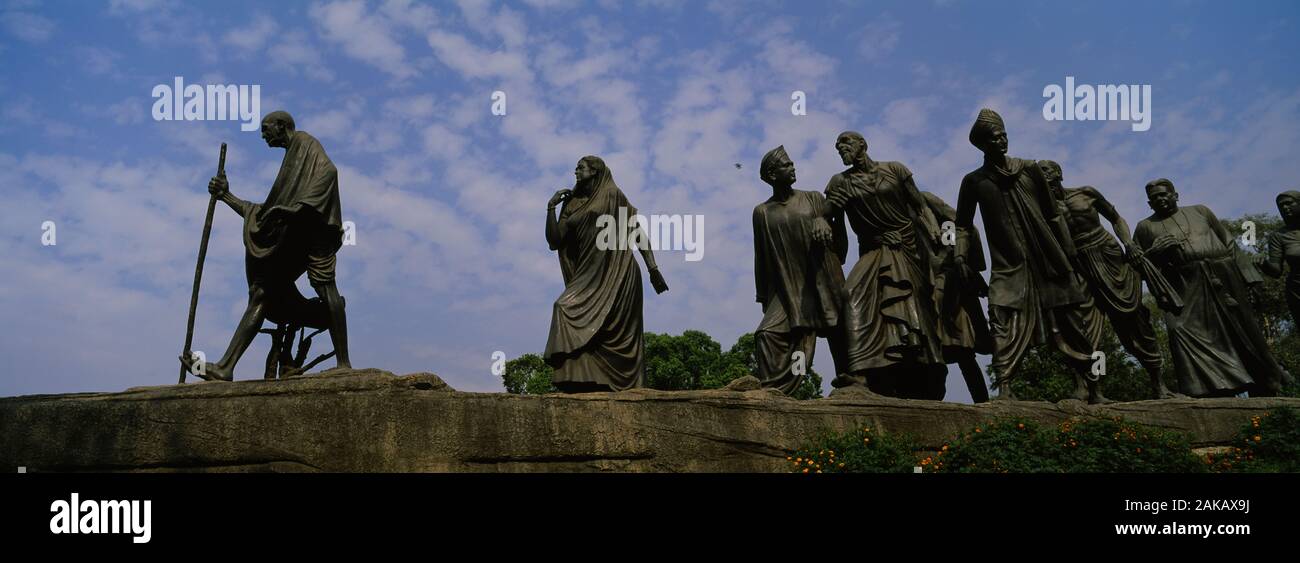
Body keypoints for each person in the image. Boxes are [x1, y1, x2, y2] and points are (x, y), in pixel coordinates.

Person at [953, 109, 1107, 403]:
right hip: (1008, 266)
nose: (1001, 142)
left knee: (1074, 324)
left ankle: (1094, 389)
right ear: (983, 145)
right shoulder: (973, 181)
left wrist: (1070, 256)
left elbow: (1053, 215)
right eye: (994, 138)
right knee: (1000, 316)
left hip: (1049, 260)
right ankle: (1006, 389)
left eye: (1003, 136)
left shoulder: (1030, 169)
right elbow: (961, 225)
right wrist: (961, 256)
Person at [185, 110, 350, 381]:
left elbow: (329, 172)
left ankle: (344, 363)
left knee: (325, 286)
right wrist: (226, 195)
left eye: (266, 129)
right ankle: (225, 367)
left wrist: (296, 209)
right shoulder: (290, 158)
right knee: (262, 292)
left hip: (314, 229)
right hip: (292, 234)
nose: (263, 135)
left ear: (282, 126)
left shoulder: (305, 143)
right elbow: (264, 213)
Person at [815, 131, 945, 399]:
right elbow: (828, 213)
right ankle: (859, 370)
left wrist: (934, 230)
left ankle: (915, 363)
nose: (841, 150)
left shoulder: (894, 169)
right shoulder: (841, 182)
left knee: (915, 308)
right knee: (851, 295)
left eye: (846, 144)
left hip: (907, 249)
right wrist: (820, 220)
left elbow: (919, 205)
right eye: (838, 148)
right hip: (873, 248)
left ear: (863, 144)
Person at [1039, 160, 1182, 399]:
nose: (1042, 176)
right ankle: (1091, 390)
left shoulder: (1086, 193)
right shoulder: (1041, 208)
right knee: (1082, 330)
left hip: (1109, 256)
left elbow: (1116, 218)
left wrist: (1129, 244)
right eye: (1038, 173)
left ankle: (1160, 385)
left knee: (1135, 323)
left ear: (1059, 173)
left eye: (1046, 170)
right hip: (1077, 266)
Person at [1133, 179, 1287, 397]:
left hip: (1223, 276)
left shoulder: (1201, 211)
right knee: (1179, 330)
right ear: (1149, 204)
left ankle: (1268, 382)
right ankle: (1208, 389)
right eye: (1154, 197)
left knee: (1243, 330)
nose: (1160, 199)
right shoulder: (1145, 227)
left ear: (1175, 195)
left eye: (1164, 194)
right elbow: (1137, 268)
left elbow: (1229, 241)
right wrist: (1154, 252)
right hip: (1184, 285)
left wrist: (1251, 279)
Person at [544, 156, 668, 392]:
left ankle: (625, 384)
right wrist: (551, 207)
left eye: (581, 168)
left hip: (618, 272)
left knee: (614, 329)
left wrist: (653, 269)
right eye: (576, 168)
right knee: (563, 307)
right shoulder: (572, 204)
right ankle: (578, 378)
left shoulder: (613, 195)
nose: (576, 171)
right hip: (588, 274)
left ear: (595, 171)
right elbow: (555, 240)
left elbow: (637, 231)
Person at [751, 146, 848, 395]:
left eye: (792, 163)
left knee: (837, 326)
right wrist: (763, 295)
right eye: (787, 165)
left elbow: (836, 231)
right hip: (787, 287)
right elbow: (761, 256)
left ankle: (848, 381)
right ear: (772, 174)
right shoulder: (762, 212)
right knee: (766, 333)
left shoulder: (813, 198)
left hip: (821, 277)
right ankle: (776, 391)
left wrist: (827, 220)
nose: (793, 167)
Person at [922, 191, 993, 403]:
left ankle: (983, 403)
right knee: (932, 356)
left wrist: (951, 257)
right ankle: (931, 403)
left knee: (963, 350)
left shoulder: (928, 205)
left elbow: (958, 225)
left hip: (950, 290)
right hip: (926, 290)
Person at [1258, 191, 1300, 325]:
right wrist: (1264, 263)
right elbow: (1276, 271)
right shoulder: (1278, 236)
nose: (1284, 208)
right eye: (1281, 206)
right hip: (1297, 289)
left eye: (1289, 203)